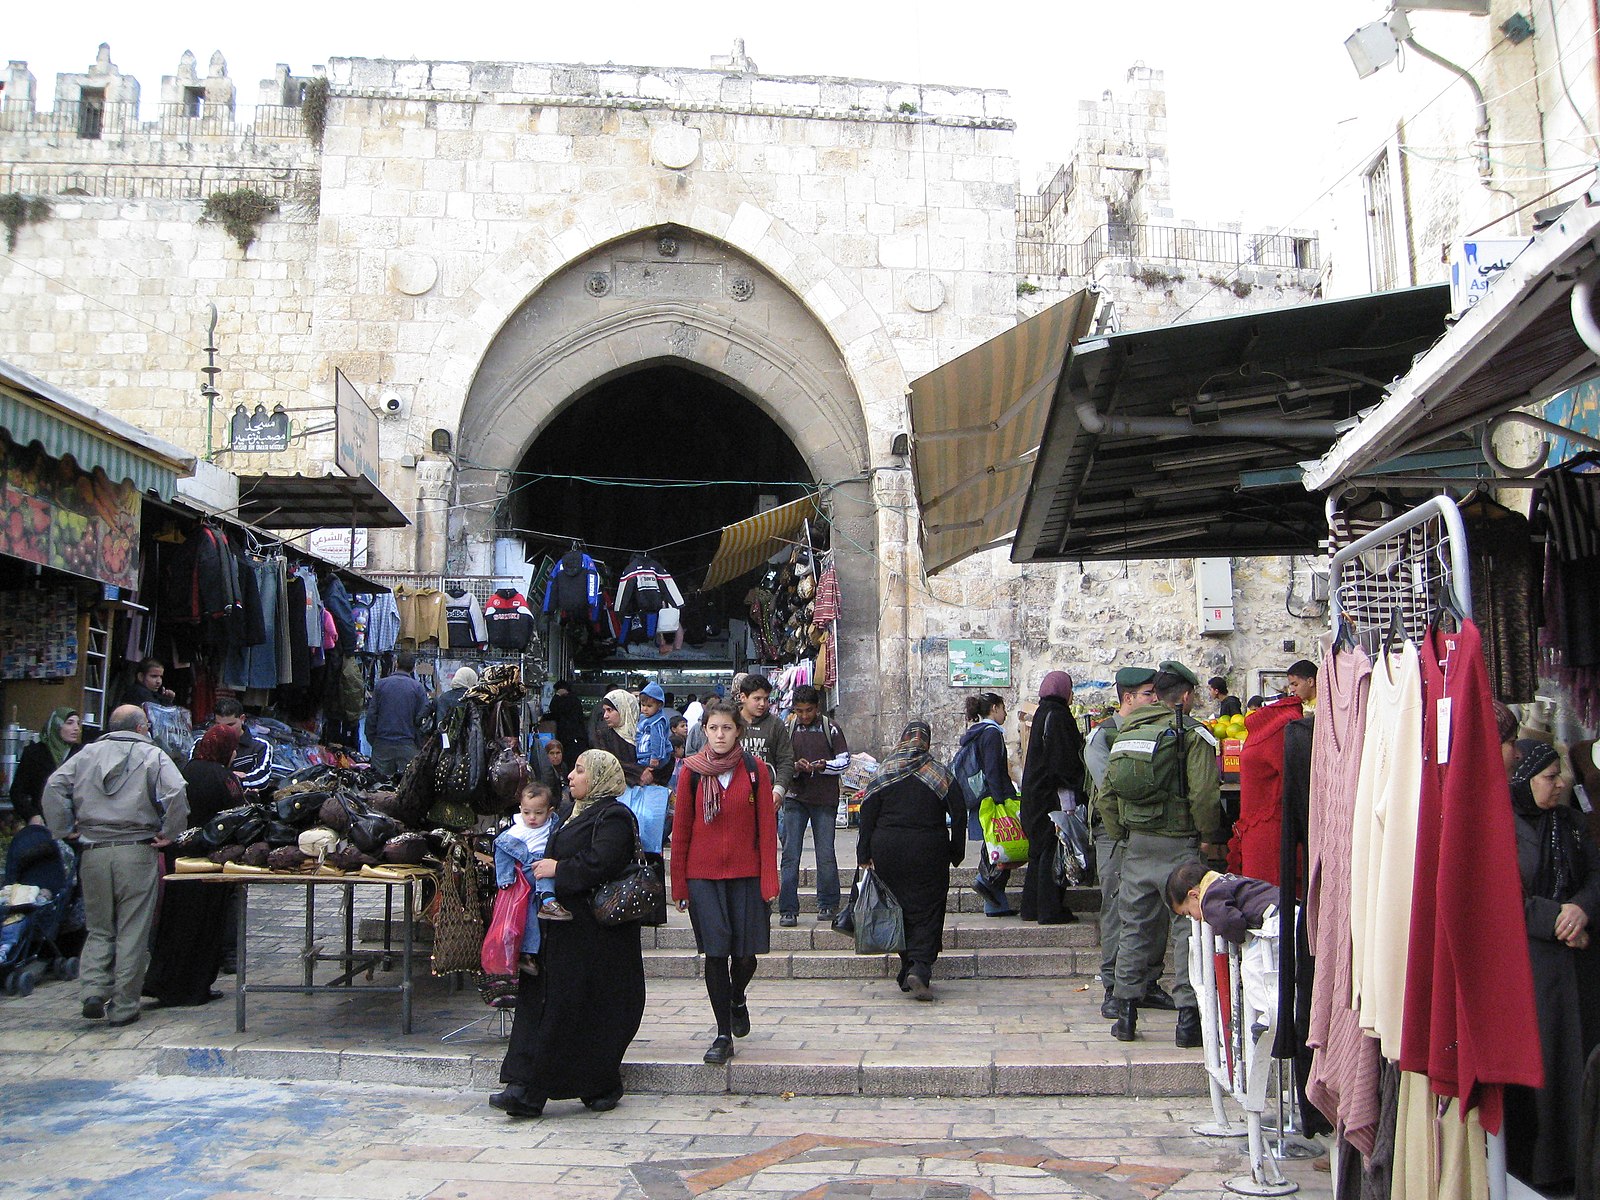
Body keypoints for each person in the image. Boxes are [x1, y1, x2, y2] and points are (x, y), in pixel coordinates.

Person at [492, 749, 646, 1118]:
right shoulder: (570, 813)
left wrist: (558, 869)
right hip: (561, 929)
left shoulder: (614, 817)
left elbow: (602, 862)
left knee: (574, 1011)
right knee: (547, 1006)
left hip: (594, 935)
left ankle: (541, 1091)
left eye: (580, 770)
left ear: (599, 777)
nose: (572, 776)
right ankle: (525, 1084)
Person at [1095, 661, 1225, 1046]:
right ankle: (1187, 1021)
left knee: (1134, 927)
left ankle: (1126, 1015)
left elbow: (1106, 795)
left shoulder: (1128, 733)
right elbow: (1204, 793)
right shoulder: (1193, 734)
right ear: (1184, 696)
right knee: (1187, 931)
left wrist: (1123, 835)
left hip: (1137, 844)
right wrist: (1206, 836)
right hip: (1180, 845)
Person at [40, 704, 188, 1029]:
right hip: (136, 849)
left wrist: (63, 828)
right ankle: (123, 1006)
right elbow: (176, 790)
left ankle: (93, 989)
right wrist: (170, 833)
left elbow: (54, 787)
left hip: (93, 850)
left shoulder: (87, 754)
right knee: (132, 930)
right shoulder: (154, 756)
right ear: (139, 728)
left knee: (99, 927)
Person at [1504, 740, 1600, 1190]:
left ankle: (1576, 1167)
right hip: (1532, 970)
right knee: (1542, 1069)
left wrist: (1581, 908)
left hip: (1576, 968)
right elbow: (1502, 898)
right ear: (1526, 781)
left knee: (1575, 1066)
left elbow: (1597, 875)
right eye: (1549, 777)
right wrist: (1557, 918)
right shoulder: (1502, 826)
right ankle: (1537, 1170)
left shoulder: (1571, 825)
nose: (1560, 783)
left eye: (1560, 775)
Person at [671, 699, 778, 1065]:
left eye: (727, 728)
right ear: (705, 731)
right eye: (713, 728)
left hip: (747, 875)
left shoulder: (755, 770)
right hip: (703, 877)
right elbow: (680, 830)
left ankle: (737, 997)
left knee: (746, 956)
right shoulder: (692, 771)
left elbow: (767, 826)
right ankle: (721, 1033)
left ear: (738, 731)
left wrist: (769, 879)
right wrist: (679, 884)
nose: (720, 735)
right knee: (716, 953)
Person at [856, 720, 965, 1000]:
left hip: (889, 851)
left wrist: (863, 853)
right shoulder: (938, 773)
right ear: (926, 742)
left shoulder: (885, 771)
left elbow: (867, 813)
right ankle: (920, 966)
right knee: (929, 909)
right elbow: (960, 811)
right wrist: (957, 850)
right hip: (929, 851)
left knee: (898, 907)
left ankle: (908, 966)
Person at [142, 724, 243, 1007]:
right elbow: (236, 817)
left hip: (179, 858)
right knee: (204, 927)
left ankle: (163, 982)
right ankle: (194, 987)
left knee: (174, 922)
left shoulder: (185, 770)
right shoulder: (225, 778)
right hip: (208, 861)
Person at [1083, 666, 1163, 1018]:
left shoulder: (1151, 731)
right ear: (1128, 698)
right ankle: (1114, 984)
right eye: (1148, 694)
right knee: (1117, 908)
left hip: (1147, 833)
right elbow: (1109, 787)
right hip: (1114, 835)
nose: (1155, 700)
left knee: (1154, 910)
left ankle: (1147, 982)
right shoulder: (1103, 737)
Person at [779, 685, 849, 926]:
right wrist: (794, 767)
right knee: (790, 854)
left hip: (824, 799)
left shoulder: (831, 728)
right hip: (795, 797)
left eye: (808, 711)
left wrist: (822, 766)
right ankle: (787, 908)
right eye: (799, 711)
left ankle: (828, 904)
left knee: (825, 854)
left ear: (817, 708)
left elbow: (844, 760)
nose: (804, 716)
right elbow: (781, 759)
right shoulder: (788, 728)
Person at [1018, 671, 1085, 925]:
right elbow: (1063, 759)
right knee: (1051, 850)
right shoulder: (1058, 716)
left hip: (1035, 794)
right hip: (1050, 796)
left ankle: (1031, 906)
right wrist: (1077, 784)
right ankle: (1049, 909)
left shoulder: (1042, 713)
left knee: (1039, 852)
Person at [953, 691, 1018, 917]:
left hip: (983, 798)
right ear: (994, 708)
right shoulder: (991, 734)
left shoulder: (977, 733)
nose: (1005, 713)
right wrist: (1002, 799)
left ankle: (995, 904)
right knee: (1000, 847)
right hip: (993, 798)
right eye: (1003, 708)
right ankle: (985, 882)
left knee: (993, 846)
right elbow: (992, 769)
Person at [494, 783, 572, 961]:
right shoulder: (515, 832)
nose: (532, 818)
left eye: (538, 813)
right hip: (527, 868)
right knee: (541, 870)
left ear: (550, 811)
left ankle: (529, 952)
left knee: (530, 911)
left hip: (543, 866)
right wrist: (505, 878)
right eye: (527, 812)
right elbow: (502, 852)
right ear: (521, 809)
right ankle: (549, 901)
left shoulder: (553, 825)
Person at [10, 708, 82, 824]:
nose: (76, 728)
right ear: (56, 725)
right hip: (43, 823)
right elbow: (17, 792)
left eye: (78, 723)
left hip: (74, 825)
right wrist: (32, 815)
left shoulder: (82, 754)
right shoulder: (35, 753)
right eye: (69, 723)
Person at [366, 651, 429, 778]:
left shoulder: (381, 685)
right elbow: (423, 719)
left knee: (377, 787)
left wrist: (374, 740)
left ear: (396, 663)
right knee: (407, 788)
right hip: (408, 745)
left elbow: (371, 717)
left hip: (382, 744)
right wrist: (418, 743)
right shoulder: (418, 688)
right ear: (413, 668)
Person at [736, 674, 795, 811]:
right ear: (743, 697)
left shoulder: (775, 724)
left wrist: (779, 790)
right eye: (757, 699)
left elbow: (786, 760)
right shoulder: (730, 722)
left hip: (766, 796)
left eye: (766, 699)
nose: (762, 704)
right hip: (735, 795)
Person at [211, 697, 274, 797]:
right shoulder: (203, 744)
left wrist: (220, 780)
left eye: (230, 725)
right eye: (219, 725)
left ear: (242, 719)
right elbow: (196, 774)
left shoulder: (260, 747)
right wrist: (233, 778)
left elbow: (261, 778)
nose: (224, 730)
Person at [592, 689, 646, 787]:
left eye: (610, 710)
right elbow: (610, 763)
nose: (605, 716)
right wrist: (640, 772)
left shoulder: (643, 732)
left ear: (624, 709)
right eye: (605, 711)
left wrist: (651, 772)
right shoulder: (603, 735)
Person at [636, 682, 672, 786]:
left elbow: (658, 740)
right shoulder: (644, 718)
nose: (645, 709)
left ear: (660, 705)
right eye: (643, 705)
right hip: (645, 754)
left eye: (649, 706)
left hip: (655, 757)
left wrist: (656, 757)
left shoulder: (658, 721)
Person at [546, 680, 587, 755]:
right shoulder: (572, 699)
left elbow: (553, 708)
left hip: (571, 738)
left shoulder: (569, 700)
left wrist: (557, 695)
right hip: (572, 738)